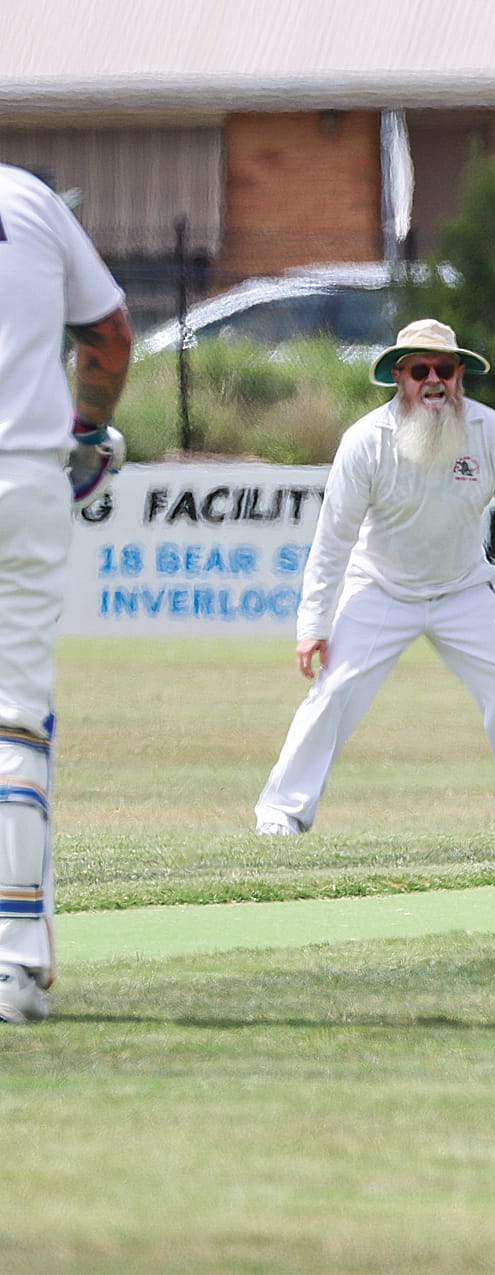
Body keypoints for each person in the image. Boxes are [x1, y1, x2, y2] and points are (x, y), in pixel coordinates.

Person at [254, 319, 495, 835]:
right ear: (399, 377)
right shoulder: (366, 442)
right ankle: (282, 813)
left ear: (460, 375)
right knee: (334, 692)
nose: (433, 381)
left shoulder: (494, 434)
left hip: (464, 588)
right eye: (420, 370)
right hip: (380, 587)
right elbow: (333, 539)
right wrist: (314, 624)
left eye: (444, 369)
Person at [0, 163, 132, 1024]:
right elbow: (109, 336)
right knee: (14, 717)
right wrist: (85, 430)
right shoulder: (26, 197)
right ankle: (12, 961)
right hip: (24, 479)